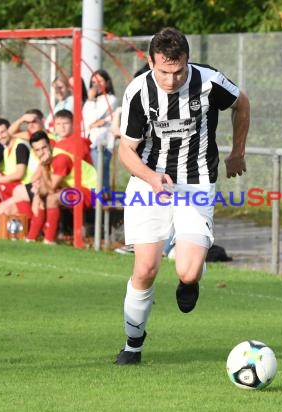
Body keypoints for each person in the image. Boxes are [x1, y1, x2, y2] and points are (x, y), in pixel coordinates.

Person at [114, 27, 249, 365]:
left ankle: (190, 281)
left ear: (188, 61)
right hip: (149, 184)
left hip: (197, 183)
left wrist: (237, 153)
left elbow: (242, 103)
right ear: (150, 62)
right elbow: (126, 151)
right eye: (163, 71)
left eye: (178, 71)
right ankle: (133, 344)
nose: (171, 80)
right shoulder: (138, 92)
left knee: (188, 272)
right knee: (145, 267)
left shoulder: (209, 81)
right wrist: (151, 177)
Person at [24, 129, 96, 244]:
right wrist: (38, 195)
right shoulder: (47, 159)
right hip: (76, 189)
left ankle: (49, 240)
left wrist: (43, 168)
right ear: (34, 151)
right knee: (42, 195)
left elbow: (51, 188)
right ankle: (31, 237)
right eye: (37, 150)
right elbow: (39, 183)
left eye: (44, 147)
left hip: (92, 192)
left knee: (51, 198)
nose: (41, 152)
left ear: (50, 145)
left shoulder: (60, 158)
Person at [83, 69, 118, 190]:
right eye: (93, 82)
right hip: (89, 142)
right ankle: (96, 202)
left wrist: (91, 100)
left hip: (101, 144)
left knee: (100, 176)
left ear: (107, 83)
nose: (96, 85)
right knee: (92, 176)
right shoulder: (90, 101)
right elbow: (87, 122)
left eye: (100, 81)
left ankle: (102, 202)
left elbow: (93, 117)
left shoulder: (110, 99)